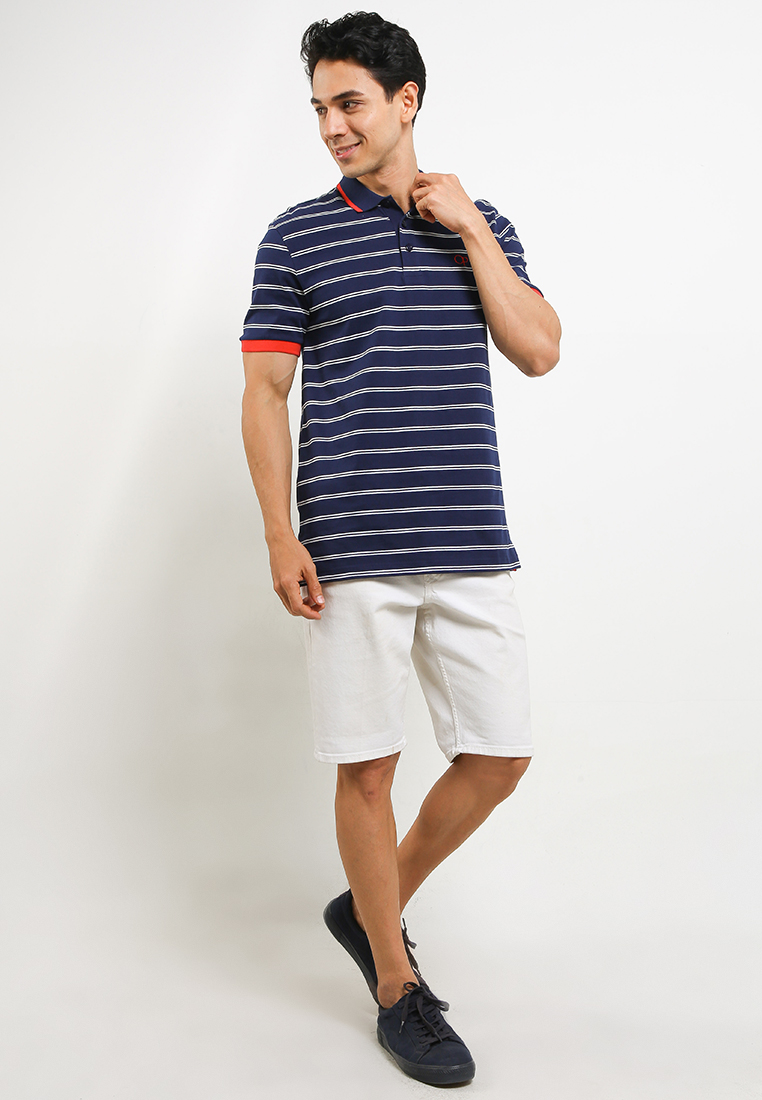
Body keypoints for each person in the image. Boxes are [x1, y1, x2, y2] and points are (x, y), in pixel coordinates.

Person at [240, 11, 560, 1086]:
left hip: (470, 536)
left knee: (500, 755)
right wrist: (280, 532)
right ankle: (393, 982)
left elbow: (539, 350)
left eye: (350, 103)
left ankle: (369, 904)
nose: (332, 126)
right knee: (369, 765)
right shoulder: (295, 236)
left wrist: (469, 227)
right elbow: (265, 391)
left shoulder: (483, 220)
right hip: (352, 544)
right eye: (320, 108)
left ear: (406, 100)